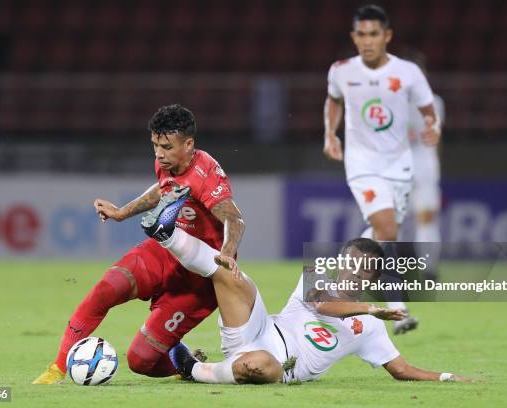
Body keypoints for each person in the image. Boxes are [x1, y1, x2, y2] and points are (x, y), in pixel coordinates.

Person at [141, 191, 471, 384]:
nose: (355, 272)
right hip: (258, 327)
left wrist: (445, 377)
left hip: (278, 363)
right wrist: (370, 308)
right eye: (351, 262)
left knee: (261, 366)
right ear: (341, 260)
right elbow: (322, 305)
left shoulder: (371, 328)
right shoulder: (316, 273)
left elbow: (400, 369)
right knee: (230, 272)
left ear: (372, 279)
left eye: (365, 270)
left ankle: (190, 367)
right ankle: (166, 233)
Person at [32, 104, 245, 384]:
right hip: (167, 252)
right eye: (155, 145)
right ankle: (58, 368)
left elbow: (234, 218)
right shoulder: (166, 162)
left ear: (189, 144)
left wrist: (227, 252)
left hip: (200, 277)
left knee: (141, 360)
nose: (159, 153)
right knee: (107, 288)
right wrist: (122, 212)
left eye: (166, 146)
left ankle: (186, 363)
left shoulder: (206, 173)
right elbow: (162, 188)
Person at [322, 4, 441, 332]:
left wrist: (433, 126)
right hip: (362, 164)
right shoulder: (342, 70)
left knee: (380, 235)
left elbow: (429, 109)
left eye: (374, 34)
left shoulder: (407, 73)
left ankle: (340, 276)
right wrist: (330, 133)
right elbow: (333, 100)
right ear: (354, 37)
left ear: (386, 36)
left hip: (400, 166)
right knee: (387, 231)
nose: (367, 41)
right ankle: (398, 308)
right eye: (361, 34)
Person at [404, 49, 445, 280]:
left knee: (399, 223)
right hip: (422, 165)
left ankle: (425, 271)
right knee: (424, 220)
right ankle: (428, 271)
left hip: (409, 166)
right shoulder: (435, 102)